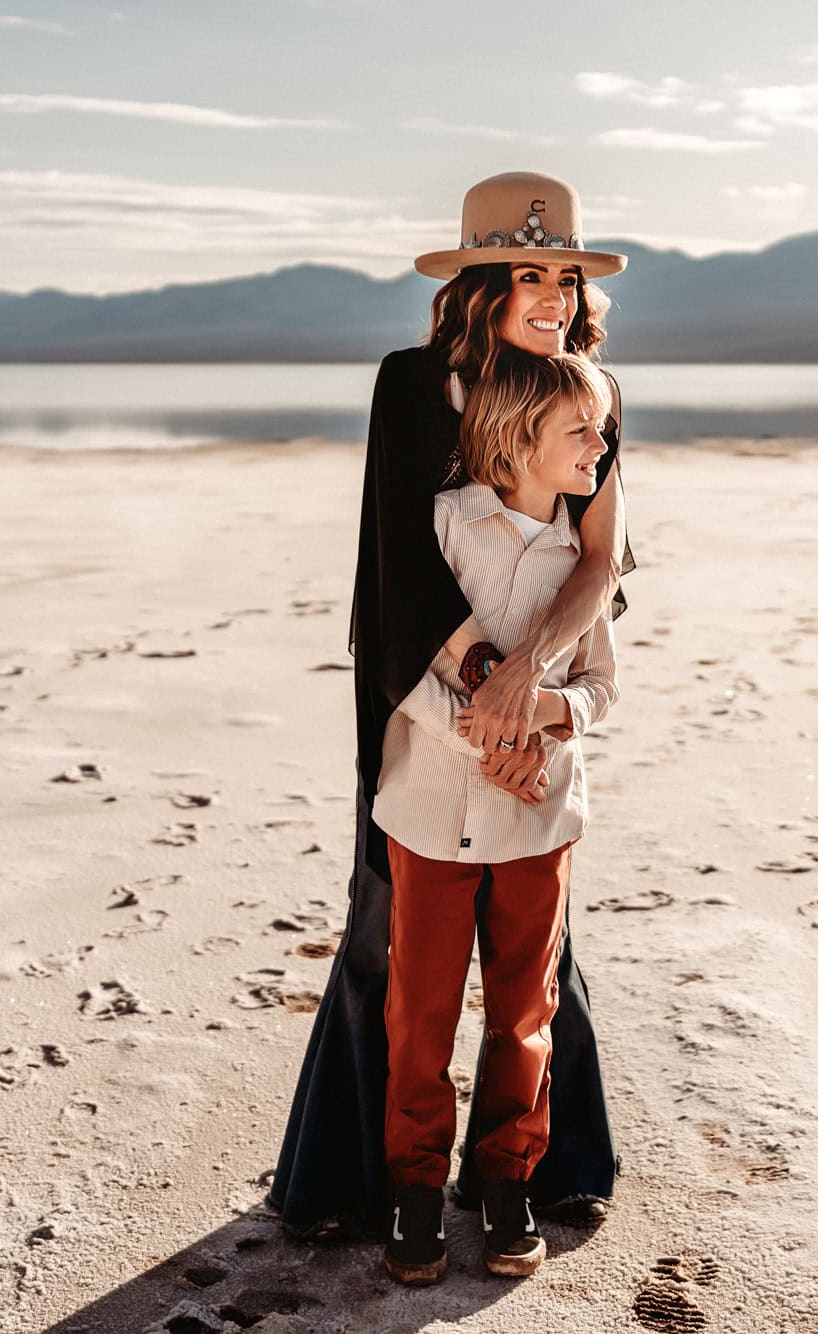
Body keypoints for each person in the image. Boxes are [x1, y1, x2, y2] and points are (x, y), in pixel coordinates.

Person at [269, 171, 632, 1239]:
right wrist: (485, 697)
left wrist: (535, 686)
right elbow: (398, 568)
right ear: (477, 282)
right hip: (414, 677)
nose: (554, 296)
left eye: (564, 276)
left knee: (535, 955)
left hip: (541, 682)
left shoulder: (592, 388)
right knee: (388, 937)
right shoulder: (410, 382)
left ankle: (539, 1168)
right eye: (529, 273)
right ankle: (356, 1179)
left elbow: (602, 560)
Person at [378, 352, 619, 1284]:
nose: (604, 445)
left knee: (525, 1010)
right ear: (521, 440)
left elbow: (600, 686)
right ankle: (411, 1189)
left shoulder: (584, 564)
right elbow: (407, 669)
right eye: (583, 431)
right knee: (421, 1013)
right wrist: (490, 742)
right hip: (431, 810)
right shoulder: (441, 529)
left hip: (540, 819)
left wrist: (549, 722)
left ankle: (506, 1180)